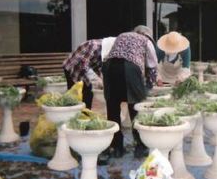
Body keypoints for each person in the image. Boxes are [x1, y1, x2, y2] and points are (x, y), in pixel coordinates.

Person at [102, 25, 158, 158]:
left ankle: (117, 147)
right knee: (135, 108)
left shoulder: (122, 35)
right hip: (129, 69)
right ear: (147, 35)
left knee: (113, 108)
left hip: (109, 68)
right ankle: (140, 146)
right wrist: (148, 86)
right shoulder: (146, 41)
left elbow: (113, 53)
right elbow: (152, 64)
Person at [63, 37, 116, 109]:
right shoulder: (94, 45)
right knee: (73, 93)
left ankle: (86, 115)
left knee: (88, 94)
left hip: (84, 69)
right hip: (72, 66)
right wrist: (96, 79)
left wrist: (102, 78)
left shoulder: (106, 51)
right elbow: (83, 64)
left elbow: (98, 66)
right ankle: (70, 113)